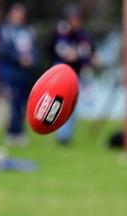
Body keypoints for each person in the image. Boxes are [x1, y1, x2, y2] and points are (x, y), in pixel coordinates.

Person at [49, 5, 95, 145]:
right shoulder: (61, 32)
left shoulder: (82, 35)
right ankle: (60, 135)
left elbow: (88, 52)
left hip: (75, 76)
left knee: (72, 107)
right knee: (59, 105)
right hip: (61, 75)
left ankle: (65, 136)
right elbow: (61, 51)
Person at [0, 3, 37, 146]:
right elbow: (3, 50)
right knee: (13, 103)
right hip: (11, 72)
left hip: (25, 74)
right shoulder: (5, 31)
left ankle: (20, 131)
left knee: (23, 104)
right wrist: (18, 59)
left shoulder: (28, 31)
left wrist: (31, 60)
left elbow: (34, 49)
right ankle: (12, 132)